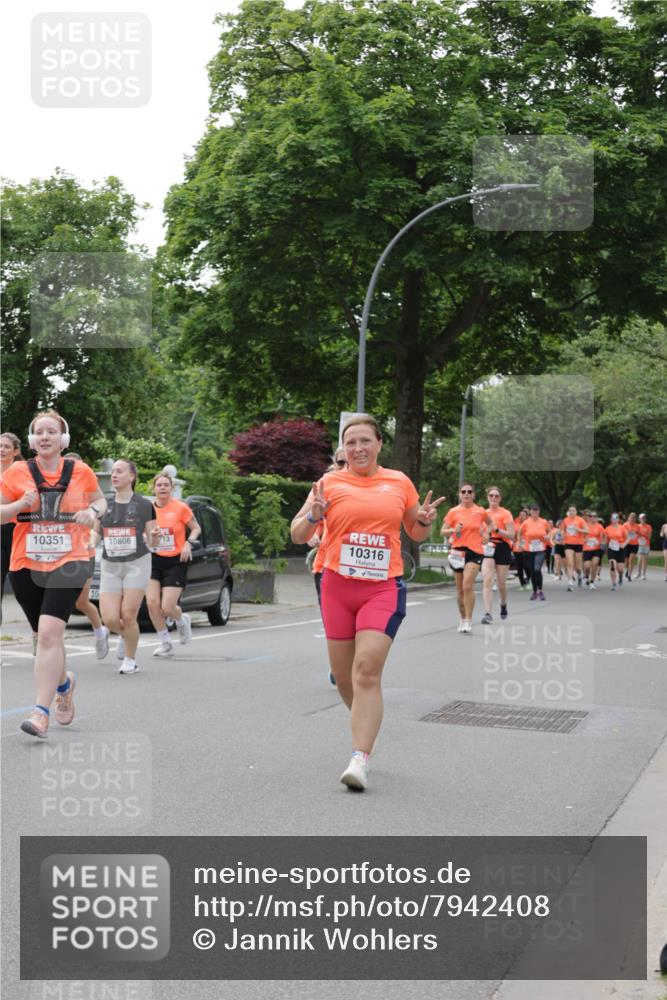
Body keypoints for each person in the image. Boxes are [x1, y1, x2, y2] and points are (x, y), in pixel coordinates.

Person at [290, 414, 443, 792]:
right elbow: (297, 534)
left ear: (378, 444)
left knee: (366, 672)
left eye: (365, 441)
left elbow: (417, 533)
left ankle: (360, 758)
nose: (358, 448)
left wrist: (424, 520)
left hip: (382, 588)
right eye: (351, 442)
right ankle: (366, 721)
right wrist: (314, 514)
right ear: (344, 449)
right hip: (337, 587)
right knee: (345, 679)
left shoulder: (398, 482)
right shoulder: (328, 483)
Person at [0, 411, 106, 738]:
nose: (45, 437)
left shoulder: (81, 471)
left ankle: (40, 713)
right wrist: (19, 507)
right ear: (32, 441)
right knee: (46, 637)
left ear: (63, 439)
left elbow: (101, 502)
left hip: (70, 561)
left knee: (48, 635)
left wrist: (92, 511)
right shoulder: (17, 472)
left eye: (52, 431)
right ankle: (64, 683)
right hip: (26, 564)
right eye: (39, 432)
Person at [98, 459, 159, 674]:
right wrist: (87, 543)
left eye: (119, 471)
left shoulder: (144, 505)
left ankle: (130, 659)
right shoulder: (104, 503)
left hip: (137, 563)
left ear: (131, 477)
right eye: (113, 471)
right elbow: (95, 533)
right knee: (111, 618)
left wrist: (154, 536)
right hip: (110, 565)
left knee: (129, 613)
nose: (114, 475)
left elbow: (154, 542)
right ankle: (124, 635)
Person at [146, 472, 200, 656]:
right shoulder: (148, 510)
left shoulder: (181, 508)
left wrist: (188, 543)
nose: (162, 488)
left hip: (176, 560)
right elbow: (144, 535)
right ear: (153, 489)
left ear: (172, 488)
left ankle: (182, 619)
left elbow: (196, 528)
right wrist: (150, 538)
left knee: (167, 607)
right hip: (154, 559)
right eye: (159, 485)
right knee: (152, 604)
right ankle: (165, 642)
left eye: (165, 485)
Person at [63, 452, 109, 658]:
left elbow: (96, 526)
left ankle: (100, 632)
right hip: (60, 554)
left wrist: (90, 535)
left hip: (84, 554)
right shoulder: (59, 491)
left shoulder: (88, 496)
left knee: (81, 602)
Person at [441, 484, 491, 634]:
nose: (466, 494)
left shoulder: (480, 511)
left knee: (467, 585)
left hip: (474, 551)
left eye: (469, 492)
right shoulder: (453, 512)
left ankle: (469, 620)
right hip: (458, 551)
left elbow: (490, 524)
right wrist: (453, 530)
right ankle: (462, 618)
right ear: (460, 494)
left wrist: (487, 534)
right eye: (464, 492)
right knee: (459, 589)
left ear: (474, 495)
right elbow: (442, 531)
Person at [480, 486, 514, 624]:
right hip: (488, 547)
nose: (494, 498)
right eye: (491, 495)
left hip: (502, 547)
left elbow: (511, 534)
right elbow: (480, 533)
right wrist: (484, 535)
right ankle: (487, 613)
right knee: (487, 580)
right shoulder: (483, 514)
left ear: (500, 498)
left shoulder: (505, 513)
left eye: (496, 496)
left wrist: (497, 529)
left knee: (501, 583)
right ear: (488, 497)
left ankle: (503, 604)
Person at [1, 432, 22, 601]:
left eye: (6, 446)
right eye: (0, 446)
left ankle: (39, 625)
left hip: (19, 531)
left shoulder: (23, 473)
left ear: (15, 451)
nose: (1, 450)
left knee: (21, 582)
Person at [516, 504, 550, 600]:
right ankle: (535, 591)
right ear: (530, 512)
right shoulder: (526, 523)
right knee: (532, 571)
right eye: (533, 510)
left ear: (539, 511)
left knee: (537, 569)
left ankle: (540, 590)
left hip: (541, 549)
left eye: (537, 510)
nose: (535, 512)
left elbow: (550, 532)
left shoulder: (543, 522)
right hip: (529, 550)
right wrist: (520, 543)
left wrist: (548, 537)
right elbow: (519, 533)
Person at [561, 505, 589, 591]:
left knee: (578, 567)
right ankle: (570, 583)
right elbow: (562, 530)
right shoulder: (565, 520)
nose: (571, 512)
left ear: (576, 512)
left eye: (573, 510)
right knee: (569, 563)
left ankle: (579, 576)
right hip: (568, 543)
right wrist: (562, 536)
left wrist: (578, 530)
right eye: (570, 511)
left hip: (578, 544)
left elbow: (587, 531)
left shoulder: (580, 520)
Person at [582, 510, 605, 589]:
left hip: (597, 548)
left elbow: (602, 538)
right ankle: (586, 576)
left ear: (597, 518)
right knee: (587, 566)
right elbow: (581, 536)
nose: (593, 518)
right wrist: (584, 540)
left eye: (594, 516)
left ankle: (592, 582)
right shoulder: (585, 526)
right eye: (591, 516)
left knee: (595, 564)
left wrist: (601, 544)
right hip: (587, 548)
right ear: (589, 518)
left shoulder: (600, 527)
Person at [605, 514, 627, 591]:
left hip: (620, 549)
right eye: (613, 519)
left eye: (616, 518)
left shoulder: (622, 528)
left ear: (618, 520)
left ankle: (620, 576)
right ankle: (613, 583)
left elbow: (627, 538)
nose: (614, 520)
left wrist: (624, 544)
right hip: (611, 549)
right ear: (611, 519)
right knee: (612, 566)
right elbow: (606, 540)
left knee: (620, 569)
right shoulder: (607, 529)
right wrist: (605, 549)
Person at [512, 509, 530, 590]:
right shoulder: (515, 525)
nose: (522, 516)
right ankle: (522, 583)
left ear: (527, 516)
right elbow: (513, 536)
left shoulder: (530, 524)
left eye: (523, 515)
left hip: (527, 547)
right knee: (519, 567)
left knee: (527, 565)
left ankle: (528, 580)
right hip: (517, 547)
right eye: (520, 515)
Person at [623, 512, 639, 581]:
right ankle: (627, 570)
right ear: (628, 518)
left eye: (634, 517)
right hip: (627, 544)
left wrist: (636, 535)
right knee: (626, 561)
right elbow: (622, 533)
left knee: (631, 560)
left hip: (635, 544)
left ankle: (629, 575)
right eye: (631, 517)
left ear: (635, 519)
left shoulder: (637, 526)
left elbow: (639, 534)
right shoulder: (625, 525)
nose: (632, 519)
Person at [636, 514, 652, 580]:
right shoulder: (637, 526)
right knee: (639, 559)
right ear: (639, 519)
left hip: (646, 544)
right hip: (639, 544)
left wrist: (643, 534)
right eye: (642, 518)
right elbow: (635, 536)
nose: (643, 519)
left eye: (644, 518)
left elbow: (649, 537)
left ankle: (643, 574)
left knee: (645, 560)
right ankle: (638, 573)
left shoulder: (648, 527)